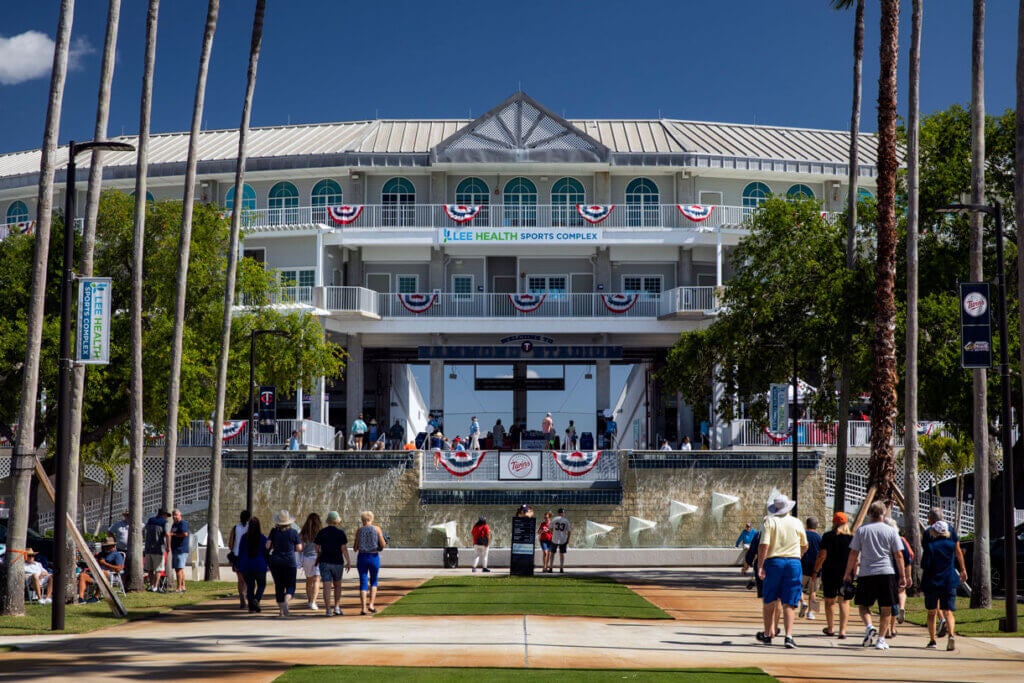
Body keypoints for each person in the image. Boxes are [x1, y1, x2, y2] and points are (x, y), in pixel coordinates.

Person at [843, 501, 906, 651]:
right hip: (887, 572)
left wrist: (847, 572)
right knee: (886, 608)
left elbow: (853, 553)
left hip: (867, 573)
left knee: (863, 605)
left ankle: (869, 626)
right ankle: (881, 639)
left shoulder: (862, 530)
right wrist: (903, 575)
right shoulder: (891, 531)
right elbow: (898, 555)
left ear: (870, 514)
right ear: (884, 514)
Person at [756, 494, 807, 649]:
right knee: (789, 602)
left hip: (774, 562)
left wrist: (760, 565)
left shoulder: (769, 521)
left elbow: (764, 545)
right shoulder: (797, 522)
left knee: (770, 599)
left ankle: (767, 633)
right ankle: (789, 636)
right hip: (793, 562)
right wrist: (797, 557)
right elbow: (805, 545)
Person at [921, 519, 967, 651]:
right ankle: (951, 635)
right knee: (948, 612)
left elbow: (925, 565)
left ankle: (932, 640)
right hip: (949, 580)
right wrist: (963, 570)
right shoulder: (952, 545)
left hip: (933, 581)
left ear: (935, 531)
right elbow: (958, 554)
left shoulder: (930, 547)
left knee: (932, 612)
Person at [813, 511, 854, 639]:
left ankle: (830, 627)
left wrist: (815, 571)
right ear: (846, 523)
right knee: (844, 601)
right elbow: (855, 556)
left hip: (830, 572)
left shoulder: (828, 536)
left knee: (830, 601)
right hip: (845, 572)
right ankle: (843, 630)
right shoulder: (851, 538)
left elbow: (822, 555)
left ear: (834, 523)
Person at [315, 510, 352, 617]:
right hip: (337, 562)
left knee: (326, 586)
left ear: (328, 521)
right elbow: (343, 549)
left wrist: (320, 554)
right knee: (337, 585)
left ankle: (328, 610)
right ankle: (337, 607)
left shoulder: (321, 532)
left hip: (325, 561)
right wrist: (348, 561)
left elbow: (316, 547)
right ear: (337, 521)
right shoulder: (340, 533)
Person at [267, 509, 302, 617]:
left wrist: (275, 546)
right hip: (289, 562)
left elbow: (267, 546)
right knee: (290, 586)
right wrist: (292, 549)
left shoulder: (274, 532)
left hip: (276, 561)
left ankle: (281, 611)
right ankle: (286, 601)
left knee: (279, 586)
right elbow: (299, 548)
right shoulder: (293, 532)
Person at [353, 510, 387, 615]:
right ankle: (371, 605)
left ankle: (363, 608)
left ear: (362, 520)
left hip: (362, 557)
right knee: (374, 581)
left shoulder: (359, 530)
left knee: (363, 582)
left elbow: (355, 547)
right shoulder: (377, 529)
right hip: (374, 556)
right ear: (371, 519)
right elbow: (383, 544)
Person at [885, 517, 913, 637]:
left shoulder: (883, 541)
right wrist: (908, 576)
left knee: (886, 602)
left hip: (885, 572)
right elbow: (907, 560)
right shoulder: (901, 540)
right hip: (899, 572)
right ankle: (893, 627)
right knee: (897, 598)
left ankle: (886, 630)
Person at [237, 516, 268, 613]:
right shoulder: (262, 538)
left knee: (250, 586)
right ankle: (256, 600)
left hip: (246, 565)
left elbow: (241, 552)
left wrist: (239, 564)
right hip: (259, 565)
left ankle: (251, 606)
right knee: (261, 585)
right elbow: (266, 552)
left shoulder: (244, 537)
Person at [77, 538, 124, 603]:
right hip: (96, 574)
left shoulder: (117, 555)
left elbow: (119, 569)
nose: (105, 548)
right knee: (82, 575)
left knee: (103, 572)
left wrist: (105, 563)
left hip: (111, 575)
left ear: (112, 546)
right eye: (104, 546)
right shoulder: (101, 554)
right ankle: (81, 598)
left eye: (107, 546)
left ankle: (96, 597)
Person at [143, 508, 171, 592]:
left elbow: (144, 530)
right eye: (166, 516)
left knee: (150, 569)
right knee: (158, 569)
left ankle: (151, 585)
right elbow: (167, 534)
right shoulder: (164, 522)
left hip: (148, 548)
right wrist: (168, 546)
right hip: (159, 549)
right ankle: (155, 586)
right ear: (164, 515)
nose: (167, 517)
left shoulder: (150, 520)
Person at [299, 512, 323, 611]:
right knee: (317, 580)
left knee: (309, 580)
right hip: (318, 557)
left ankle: (309, 601)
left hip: (306, 558)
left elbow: (300, 548)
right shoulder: (321, 532)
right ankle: (313, 602)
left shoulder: (303, 532)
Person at [800, 517, 822, 620]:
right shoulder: (819, 538)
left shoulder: (802, 535)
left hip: (802, 566)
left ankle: (802, 602)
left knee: (798, 587)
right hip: (816, 568)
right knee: (813, 591)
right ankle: (811, 613)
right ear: (816, 526)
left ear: (806, 524)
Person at [228, 510, 251, 610]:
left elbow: (230, 544)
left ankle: (241, 596)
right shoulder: (251, 528)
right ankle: (245, 595)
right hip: (248, 556)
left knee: (240, 580)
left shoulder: (235, 528)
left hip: (237, 556)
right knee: (247, 579)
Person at [551, 508, 571, 573]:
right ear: (563, 513)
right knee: (561, 554)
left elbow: (550, 528)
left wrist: (554, 533)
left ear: (558, 513)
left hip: (554, 538)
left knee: (552, 554)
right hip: (563, 539)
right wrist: (568, 539)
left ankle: (551, 568)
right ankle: (561, 568)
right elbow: (569, 531)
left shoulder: (554, 519)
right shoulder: (566, 520)